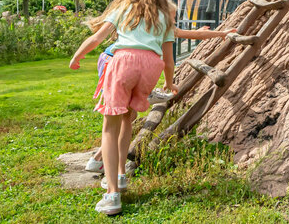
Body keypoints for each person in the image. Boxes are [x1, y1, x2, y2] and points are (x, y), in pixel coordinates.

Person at [70, 0, 179, 216]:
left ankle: (112, 195)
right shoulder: (165, 17)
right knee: (127, 120)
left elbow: (97, 38)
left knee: (109, 127)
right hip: (151, 67)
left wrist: (77, 56)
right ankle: (120, 176)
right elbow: (169, 60)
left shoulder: (124, 9)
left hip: (124, 63)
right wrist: (169, 83)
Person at [83, 23, 232, 176]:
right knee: (120, 116)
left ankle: (99, 159)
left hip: (112, 60)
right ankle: (99, 160)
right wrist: (221, 33)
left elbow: (192, 34)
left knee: (128, 115)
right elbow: (190, 36)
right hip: (119, 65)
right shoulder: (160, 24)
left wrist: (217, 33)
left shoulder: (146, 22)